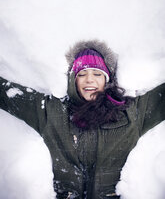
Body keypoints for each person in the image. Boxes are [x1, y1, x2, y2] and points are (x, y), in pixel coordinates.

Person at [0, 39, 165, 199]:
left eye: (97, 74)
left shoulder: (129, 113)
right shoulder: (53, 111)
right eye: (82, 74)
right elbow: (7, 95)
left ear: (107, 80)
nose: (89, 79)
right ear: (73, 80)